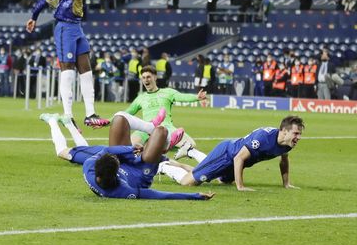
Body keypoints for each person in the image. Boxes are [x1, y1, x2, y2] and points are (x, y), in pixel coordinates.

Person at [26, 0, 131, 128]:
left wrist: (33, 17)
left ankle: (90, 114)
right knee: (67, 70)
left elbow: (44, 0)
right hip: (65, 29)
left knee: (86, 70)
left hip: (77, 28)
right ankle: (68, 115)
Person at [39, 112, 213, 201]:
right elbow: (159, 195)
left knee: (119, 118)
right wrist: (194, 196)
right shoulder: (124, 191)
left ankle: (153, 136)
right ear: (115, 173)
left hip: (126, 156)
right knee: (161, 131)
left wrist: (129, 150)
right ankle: (162, 146)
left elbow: (108, 151)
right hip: (142, 167)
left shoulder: (89, 165)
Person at [159, 116, 304, 192]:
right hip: (227, 154)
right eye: (296, 133)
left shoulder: (287, 143)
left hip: (234, 160)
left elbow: (284, 161)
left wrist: (286, 184)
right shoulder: (263, 138)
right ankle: (163, 165)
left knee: (219, 179)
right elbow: (239, 157)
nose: (298, 137)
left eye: (299, 134)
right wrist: (240, 186)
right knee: (188, 182)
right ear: (284, 131)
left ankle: (188, 153)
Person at [124, 66, 208, 162]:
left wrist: (196, 97)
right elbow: (125, 114)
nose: (146, 80)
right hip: (146, 128)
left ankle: (165, 148)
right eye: (143, 77)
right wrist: (106, 122)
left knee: (191, 144)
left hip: (167, 128)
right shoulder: (140, 98)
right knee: (129, 147)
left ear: (155, 77)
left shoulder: (168, 92)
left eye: (148, 77)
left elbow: (181, 96)